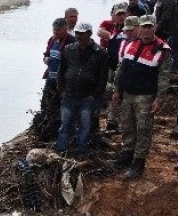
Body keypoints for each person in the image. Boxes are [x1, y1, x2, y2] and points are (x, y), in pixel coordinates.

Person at [110, 15, 171, 178]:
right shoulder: (132, 43)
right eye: (143, 26)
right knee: (127, 126)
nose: (146, 29)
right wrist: (117, 89)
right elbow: (121, 69)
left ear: (155, 27)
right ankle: (127, 154)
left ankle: (139, 162)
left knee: (143, 129)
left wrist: (159, 99)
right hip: (127, 94)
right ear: (139, 28)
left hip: (145, 97)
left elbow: (164, 78)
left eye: (149, 26)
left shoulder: (162, 50)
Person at [56, 22, 109, 157]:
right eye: (77, 33)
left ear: (90, 34)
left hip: (87, 98)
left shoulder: (100, 52)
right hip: (68, 95)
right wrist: (61, 90)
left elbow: (103, 78)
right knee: (65, 125)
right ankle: (61, 151)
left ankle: (81, 152)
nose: (78, 36)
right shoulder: (68, 49)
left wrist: (94, 96)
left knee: (85, 127)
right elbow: (61, 72)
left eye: (82, 33)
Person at [38, 18, 76, 141]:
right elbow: (46, 54)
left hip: (64, 83)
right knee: (46, 106)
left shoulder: (72, 42)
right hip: (50, 79)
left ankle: (62, 136)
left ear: (65, 29)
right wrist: (46, 59)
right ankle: (47, 132)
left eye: (58, 31)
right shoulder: (52, 39)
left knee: (63, 109)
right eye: (54, 30)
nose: (55, 33)